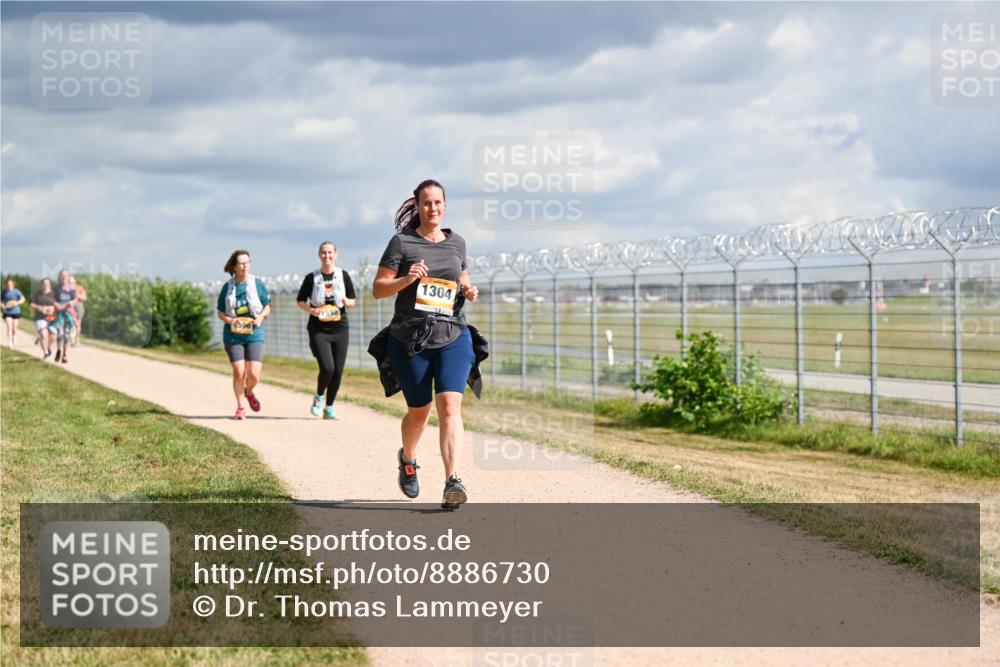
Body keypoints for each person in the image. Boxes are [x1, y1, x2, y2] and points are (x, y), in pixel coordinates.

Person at [372, 179, 481, 510]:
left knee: (450, 405)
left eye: (438, 202)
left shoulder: (457, 242)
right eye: (427, 203)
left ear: (445, 205)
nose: (433, 208)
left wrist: (469, 290)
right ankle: (408, 458)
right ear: (417, 206)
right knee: (419, 412)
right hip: (411, 339)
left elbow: (461, 278)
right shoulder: (402, 243)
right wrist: (406, 279)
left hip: (453, 333)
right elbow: (378, 288)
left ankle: (453, 480)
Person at [296, 241, 357, 419]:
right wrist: (311, 310)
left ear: (336, 254)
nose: (327, 256)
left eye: (330, 252)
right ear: (319, 255)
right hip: (319, 329)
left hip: (340, 328)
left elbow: (353, 300)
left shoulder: (343, 275)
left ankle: (329, 407)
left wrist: (347, 301)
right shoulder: (312, 278)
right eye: (324, 253)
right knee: (327, 367)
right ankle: (319, 397)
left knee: (338, 370)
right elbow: (300, 300)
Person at [216, 250, 271, 420]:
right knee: (239, 372)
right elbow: (220, 312)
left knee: (254, 374)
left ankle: (249, 392)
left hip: (254, 333)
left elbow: (267, 306)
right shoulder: (228, 287)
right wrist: (231, 321)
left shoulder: (258, 284)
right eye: (241, 263)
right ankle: (240, 408)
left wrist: (260, 318)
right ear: (234, 266)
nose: (245, 266)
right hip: (234, 335)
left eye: (247, 262)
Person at [51, 270, 77, 364]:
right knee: (60, 334)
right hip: (59, 314)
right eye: (62, 276)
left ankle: (65, 354)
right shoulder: (56, 289)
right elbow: (52, 299)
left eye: (66, 276)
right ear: (59, 277)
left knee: (66, 335)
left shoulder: (71, 290)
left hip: (68, 314)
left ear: (68, 277)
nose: (64, 277)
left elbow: (75, 300)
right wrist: (56, 304)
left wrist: (71, 302)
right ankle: (58, 350)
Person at [30, 278, 56, 359]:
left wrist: (51, 308)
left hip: (51, 318)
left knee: (53, 337)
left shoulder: (53, 294)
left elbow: (57, 305)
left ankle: (46, 345)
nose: (46, 285)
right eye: (44, 284)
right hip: (40, 317)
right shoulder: (37, 294)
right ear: (41, 285)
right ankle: (46, 353)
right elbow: (31, 304)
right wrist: (39, 307)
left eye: (48, 283)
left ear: (50, 285)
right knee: (44, 335)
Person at [2, 278, 26, 348]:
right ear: (6, 285)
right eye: (7, 284)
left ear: (13, 284)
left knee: (14, 328)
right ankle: (10, 342)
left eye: (10, 284)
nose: (9, 285)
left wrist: (17, 302)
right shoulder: (3, 292)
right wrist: (2, 305)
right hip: (7, 312)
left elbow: (23, 299)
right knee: (9, 327)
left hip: (16, 312)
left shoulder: (16, 291)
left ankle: (14, 335)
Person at [70, 277, 87, 345]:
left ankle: (77, 338)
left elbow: (85, 297)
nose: (71, 283)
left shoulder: (79, 287)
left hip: (79, 305)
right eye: (69, 282)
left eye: (72, 282)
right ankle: (72, 339)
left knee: (78, 323)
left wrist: (78, 295)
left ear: (75, 282)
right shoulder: (66, 288)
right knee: (72, 322)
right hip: (70, 306)